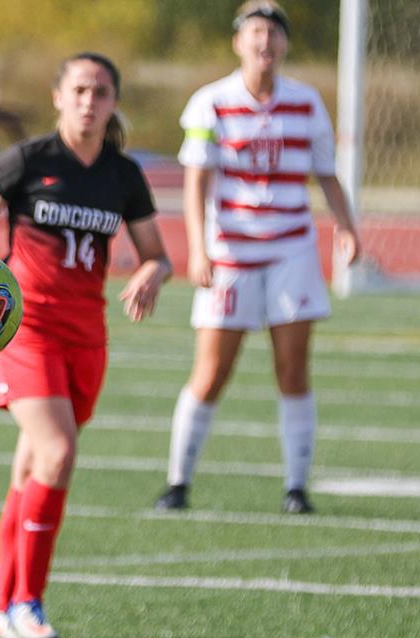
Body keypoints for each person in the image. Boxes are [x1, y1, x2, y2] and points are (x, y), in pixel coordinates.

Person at [0, 52, 170, 638]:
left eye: (101, 92)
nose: (91, 101)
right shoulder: (28, 160)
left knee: (34, 465)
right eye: (81, 90)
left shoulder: (123, 174)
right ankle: (29, 602)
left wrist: (152, 272)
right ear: (59, 96)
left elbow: (157, 253)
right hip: (26, 328)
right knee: (58, 452)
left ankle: (0, 605)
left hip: (87, 334)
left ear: (114, 102)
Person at [153, 0, 359, 516]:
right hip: (232, 255)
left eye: (273, 33)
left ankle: (296, 487)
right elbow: (196, 181)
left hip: (291, 248)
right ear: (238, 42)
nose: (264, 42)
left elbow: (327, 175)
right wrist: (198, 249)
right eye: (255, 32)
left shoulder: (307, 103)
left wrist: (349, 229)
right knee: (211, 371)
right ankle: (178, 483)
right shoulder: (211, 103)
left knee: (293, 369)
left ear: (285, 44)